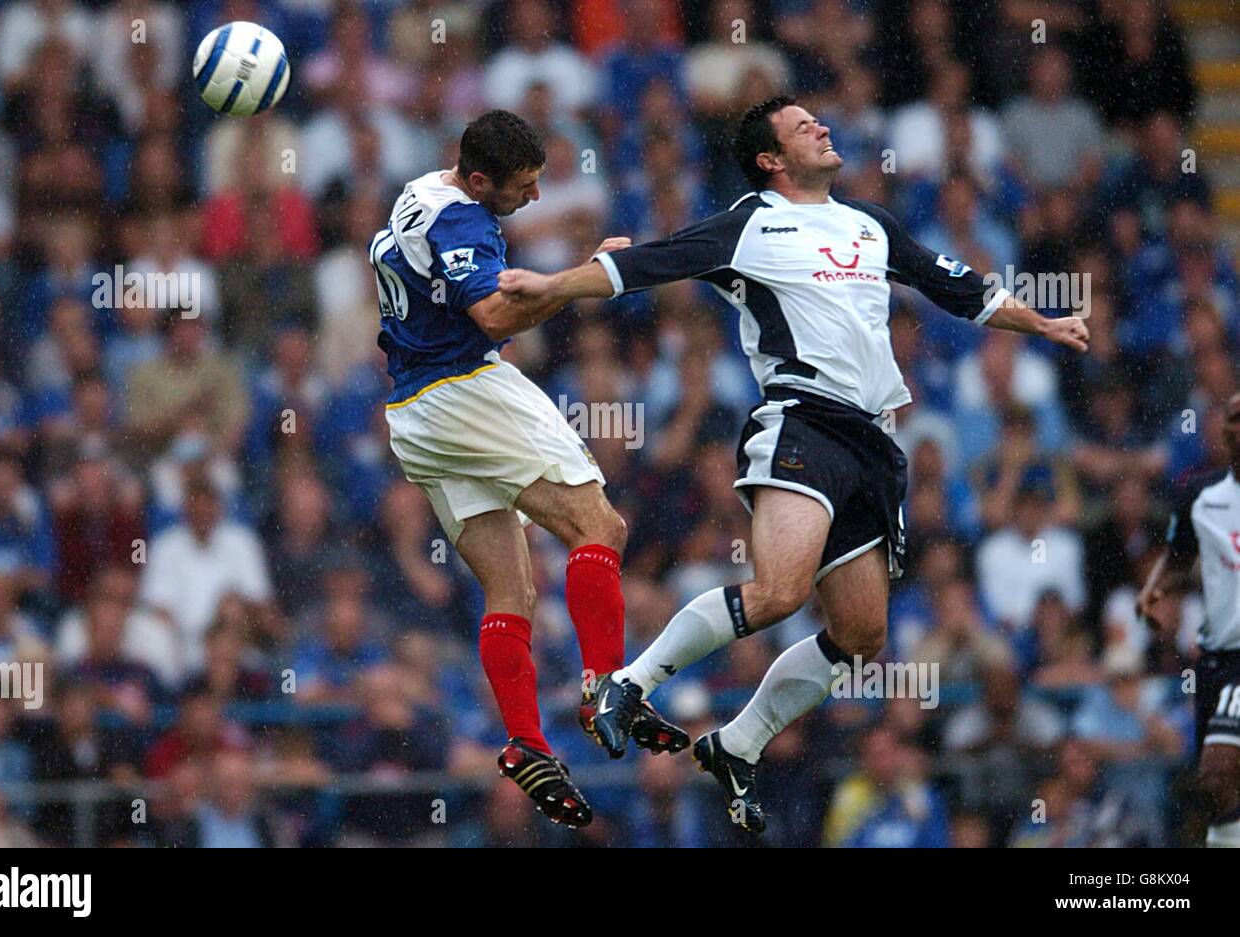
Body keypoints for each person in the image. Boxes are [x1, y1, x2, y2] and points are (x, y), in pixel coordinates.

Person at [500, 94, 1089, 833]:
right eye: (801, 124)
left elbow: (958, 287)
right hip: (802, 420)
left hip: (875, 445)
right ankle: (629, 681)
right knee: (779, 590)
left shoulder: (870, 224)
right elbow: (640, 267)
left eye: (820, 117)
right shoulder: (749, 225)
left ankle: (738, 742)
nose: (821, 124)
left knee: (862, 633)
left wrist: (1042, 322)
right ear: (772, 159)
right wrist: (553, 284)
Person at [368, 110, 686, 828]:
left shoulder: (419, 190)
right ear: (480, 180)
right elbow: (492, 314)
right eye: (524, 186)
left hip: (414, 414)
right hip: (463, 391)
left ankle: (525, 740)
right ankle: (607, 681)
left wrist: (551, 278)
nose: (536, 198)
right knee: (599, 523)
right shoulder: (464, 222)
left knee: (513, 586)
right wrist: (585, 278)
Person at [1137, 391, 1240, 847]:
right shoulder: (1200, 496)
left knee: (1218, 771)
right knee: (1213, 786)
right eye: (1233, 416)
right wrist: (1155, 589)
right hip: (1216, 660)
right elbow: (1179, 559)